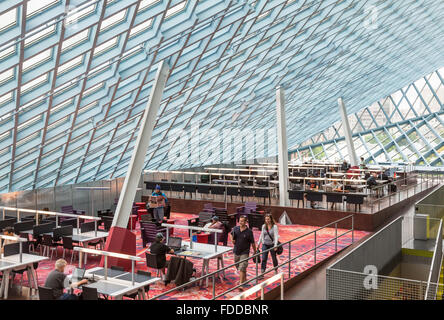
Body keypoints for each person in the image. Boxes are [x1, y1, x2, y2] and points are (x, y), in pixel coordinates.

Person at [230, 216, 256, 289]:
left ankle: (241, 284)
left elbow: (253, 243)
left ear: (245, 222)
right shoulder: (236, 229)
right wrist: (232, 240)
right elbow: (231, 234)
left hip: (245, 252)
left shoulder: (249, 232)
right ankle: (244, 278)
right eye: (240, 221)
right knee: (238, 265)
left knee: (242, 267)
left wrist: (255, 251)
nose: (241, 223)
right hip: (236, 251)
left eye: (242, 221)